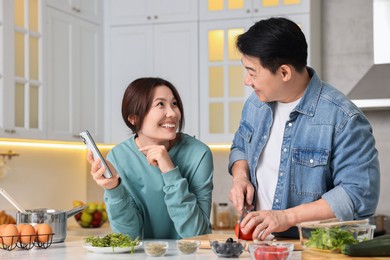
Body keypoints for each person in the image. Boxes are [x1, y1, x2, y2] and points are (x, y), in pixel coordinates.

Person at [228, 17, 380, 240]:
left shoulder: (343, 118)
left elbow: (357, 194)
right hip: (260, 247)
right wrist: (240, 177)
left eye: (252, 72)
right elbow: (240, 146)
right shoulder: (255, 104)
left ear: (284, 73)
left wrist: (285, 218)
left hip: (312, 248)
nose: (247, 81)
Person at [87, 77, 214, 239]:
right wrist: (114, 188)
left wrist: (169, 171)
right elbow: (128, 236)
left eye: (174, 104)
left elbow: (197, 235)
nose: (172, 113)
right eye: (160, 104)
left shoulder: (198, 153)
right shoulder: (119, 157)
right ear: (134, 118)